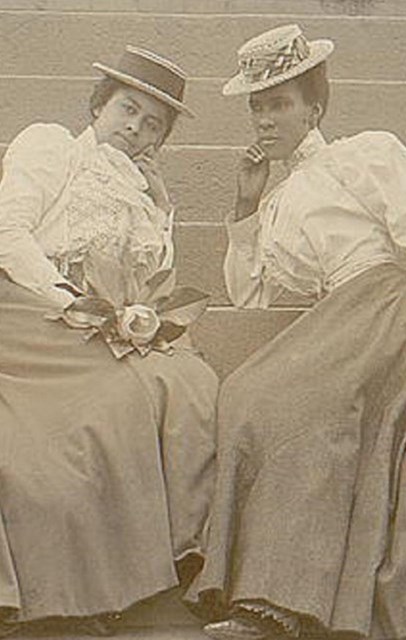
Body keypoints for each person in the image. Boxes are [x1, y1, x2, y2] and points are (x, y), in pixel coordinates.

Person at [188, 23, 406, 640]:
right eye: (257, 107)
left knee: (307, 408)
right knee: (248, 395)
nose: (265, 120)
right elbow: (254, 299)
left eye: (279, 104)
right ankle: (262, 592)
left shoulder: (365, 153)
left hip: (392, 308)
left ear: (314, 107)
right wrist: (246, 212)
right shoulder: (275, 202)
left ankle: (283, 604)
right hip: (334, 321)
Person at [0, 46, 218, 635]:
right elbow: (9, 234)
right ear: (99, 105)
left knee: (189, 381)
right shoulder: (52, 147)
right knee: (112, 402)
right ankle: (83, 586)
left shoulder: (143, 189)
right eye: (127, 109)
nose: (135, 128)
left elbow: (158, 280)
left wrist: (162, 207)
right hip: (34, 311)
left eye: (153, 124)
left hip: (110, 324)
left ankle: (171, 565)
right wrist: (72, 303)